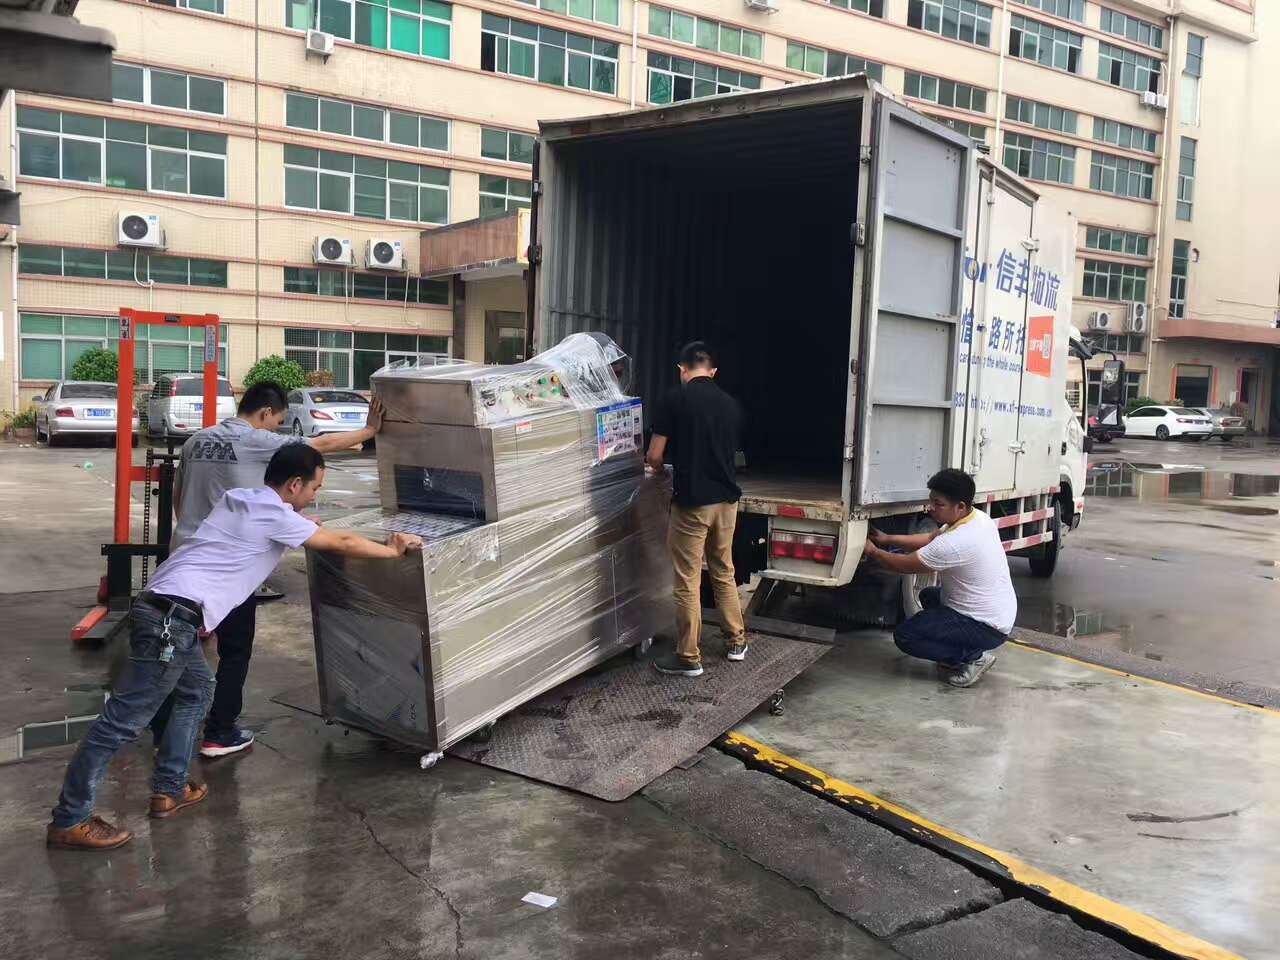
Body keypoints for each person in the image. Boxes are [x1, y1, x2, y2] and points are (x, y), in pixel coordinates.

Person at [46, 444, 423, 851]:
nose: (316, 495)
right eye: (315, 488)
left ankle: (170, 788)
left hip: (163, 607)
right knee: (122, 720)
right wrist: (392, 551)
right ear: (295, 484)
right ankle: (70, 818)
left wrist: (299, 521)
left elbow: (271, 527)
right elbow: (342, 542)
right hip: (173, 621)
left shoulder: (240, 499)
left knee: (197, 691)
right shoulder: (276, 517)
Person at [161, 381, 385, 758]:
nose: (276, 429)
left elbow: (179, 499)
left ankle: (166, 736)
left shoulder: (196, 441)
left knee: (173, 655)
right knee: (235, 651)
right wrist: (369, 431)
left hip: (184, 557)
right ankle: (219, 732)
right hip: (229, 566)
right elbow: (317, 448)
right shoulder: (256, 440)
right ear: (265, 413)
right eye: (278, 421)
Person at [645, 341, 747, 677]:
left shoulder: (673, 400)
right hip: (727, 502)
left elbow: (655, 455)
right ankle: (736, 642)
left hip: (693, 504)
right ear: (712, 371)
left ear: (682, 369)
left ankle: (688, 655)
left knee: (688, 579)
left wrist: (657, 472)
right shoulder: (731, 404)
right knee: (723, 570)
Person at [861, 468, 1015, 688]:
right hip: (997, 614)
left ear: (960, 506)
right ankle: (960, 651)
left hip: (986, 626)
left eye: (938, 503)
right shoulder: (977, 518)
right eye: (931, 500)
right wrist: (886, 539)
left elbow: (903, 565)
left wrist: (874, 552)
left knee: (906, 636)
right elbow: (929, 538)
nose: (930, 507)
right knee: (928, 596)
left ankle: (973, 657)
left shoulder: (957, 542)